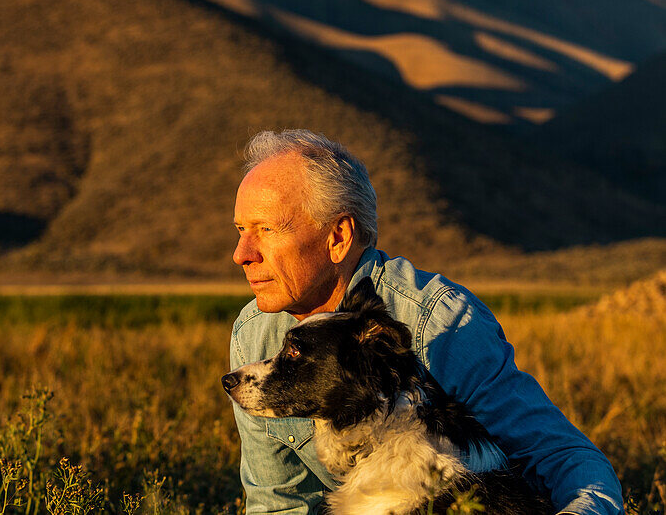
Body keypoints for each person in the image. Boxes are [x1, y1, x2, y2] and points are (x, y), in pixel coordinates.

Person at [229, 129, 622, 515]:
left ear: (338, 237)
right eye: (241, 230)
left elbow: (562, 456)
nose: (241, 254)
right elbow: (280, 505)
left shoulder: (438, 320)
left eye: (266, 229)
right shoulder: (253, 335)